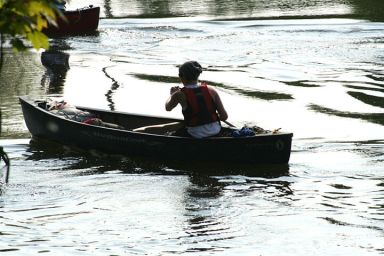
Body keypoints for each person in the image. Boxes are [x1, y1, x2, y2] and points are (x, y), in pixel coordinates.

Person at [165, 61, 228, 138]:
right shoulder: (211, 90)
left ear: (182, 76)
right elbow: (224, 117)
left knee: (169, 134)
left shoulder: (179, 94)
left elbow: (168, 108)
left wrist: (172, 94)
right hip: (216, 131)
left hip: (194, 134)